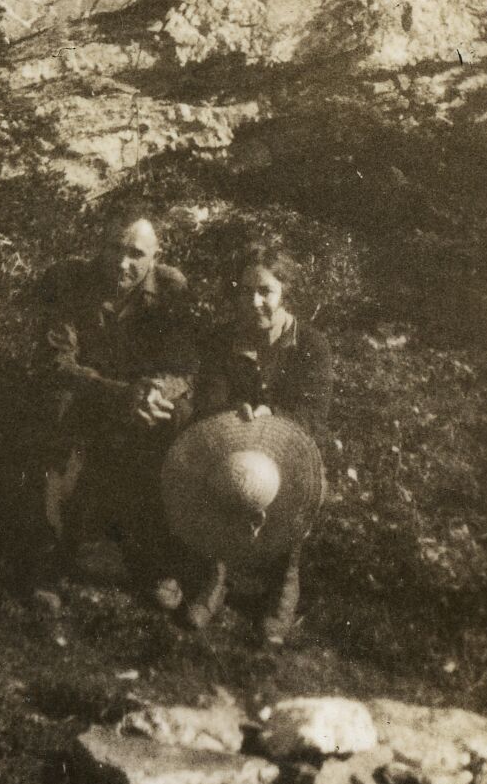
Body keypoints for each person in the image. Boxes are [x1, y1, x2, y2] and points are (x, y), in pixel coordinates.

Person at [33, 214, 197, 608]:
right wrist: (120, 394)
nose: (122, 263)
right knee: (58, 407)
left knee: (180, 417)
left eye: (135, 254)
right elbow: (58, 362)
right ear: (99, 245)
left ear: (155, 256)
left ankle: (154, 558)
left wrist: (155, 392)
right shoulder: (68, 279)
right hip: (88, 394)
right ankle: (51, 552)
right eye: (114, 248)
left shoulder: (172, 290)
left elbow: (185, 367)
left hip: (140, 401)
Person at [185, 249, 333, 644]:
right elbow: (207, 403)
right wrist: (235, 411)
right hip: (234, 443)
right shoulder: (222, 340)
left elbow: (313, 414)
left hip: (291, 450)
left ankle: (284, 584)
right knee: (217, 468)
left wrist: (275, 415)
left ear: (285, 293)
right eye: (246, 291)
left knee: (295, 485)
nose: (254, 302)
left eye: (265, 291)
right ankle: (215, 575)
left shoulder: (310, 346)